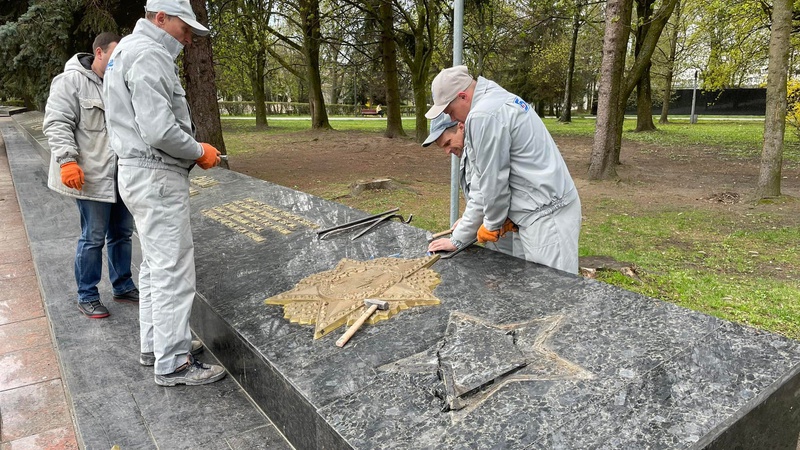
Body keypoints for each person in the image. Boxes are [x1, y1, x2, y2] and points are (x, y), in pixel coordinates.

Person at [103, 0, 225, 386]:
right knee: (173, 268)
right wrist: (198, 150)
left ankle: (156, 345)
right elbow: (159, 131)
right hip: (156, 174)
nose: (188, 38)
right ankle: (173, 362)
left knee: (156, 265)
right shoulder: (150, 55)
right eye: (184, 28)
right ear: (160, 18)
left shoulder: (124, 52)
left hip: (137, 172)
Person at [425, 66, 582, 274]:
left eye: (451, 112)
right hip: (539, 212)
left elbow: (491, 184)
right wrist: (467, 232)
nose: (453, 119)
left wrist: (489, 225)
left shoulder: (483, 115)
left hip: (548, 217)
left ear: (462, 96)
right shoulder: (494, 99)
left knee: (553, 294)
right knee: (530, 289)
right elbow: (487, 182)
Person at [43, 32, 140, 319]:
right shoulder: (70, 81)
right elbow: (57, 123)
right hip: (90, 176)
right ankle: (87, 294)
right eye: (113, 56)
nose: (118, 62)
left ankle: (122, 285)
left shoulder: (119, 83)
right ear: (99, 53)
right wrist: (67, 161)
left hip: (121, 176)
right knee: (93, 237)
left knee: (122, 234)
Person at [424, 113, 513, 256]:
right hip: (498, 230)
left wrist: (456, 240)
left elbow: (482, 198)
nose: (447, 151)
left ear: (461, 127)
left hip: (512, 234)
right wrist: (467, 220)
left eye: (448, 143)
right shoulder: (468, 150)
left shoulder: (480, 147)